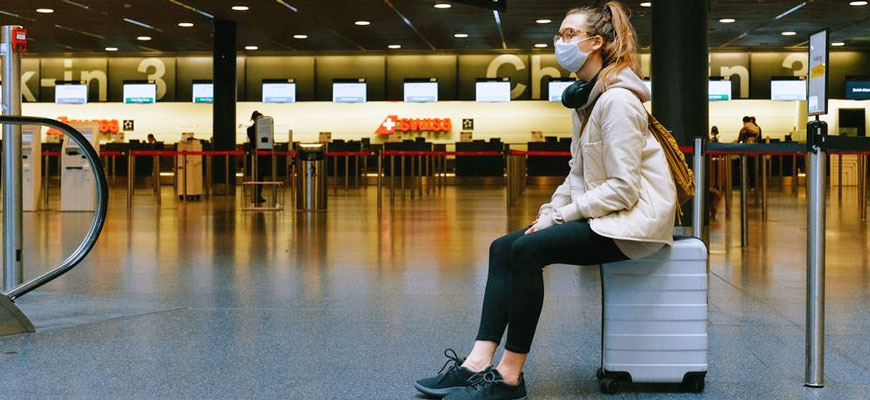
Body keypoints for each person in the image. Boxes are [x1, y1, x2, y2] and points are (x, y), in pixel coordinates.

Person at [414, 2, 676, 399]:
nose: (560, 41)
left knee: (528, 250)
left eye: (569, 34)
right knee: (503, 247)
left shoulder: (618, 102)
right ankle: (476, 362)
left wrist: (563, 217)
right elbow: (577, 174)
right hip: (606, 215)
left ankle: (510, 376)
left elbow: (624, 188)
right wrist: (551, 212)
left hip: (633, 225)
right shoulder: (587, 101)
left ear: (596, 43)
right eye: (559, 34)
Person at [247, 111, 267, 203]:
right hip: (259, 155)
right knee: (259, 175)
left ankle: (257, 194)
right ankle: (257, 195)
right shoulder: (255, 130)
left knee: (258, 175)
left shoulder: (250, 129)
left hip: (256, 155)